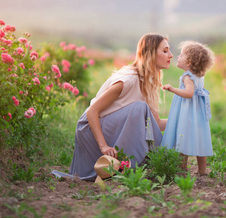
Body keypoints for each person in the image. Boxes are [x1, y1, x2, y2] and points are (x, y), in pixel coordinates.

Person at [54, 34, 173, 181]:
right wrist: (104, 147)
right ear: (151, 54)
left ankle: (149, 162)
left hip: (111, 126)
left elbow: (156, 124)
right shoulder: (128, 80)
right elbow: (92, 112)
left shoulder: (150, 82)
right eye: (165, 51)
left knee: (140, 109)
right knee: (139, 108)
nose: (171, 55)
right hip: (91, 128)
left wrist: (181, 120)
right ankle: (133, 164)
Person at [161, 41, 215, 176]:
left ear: (189, 62)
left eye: (181, 55)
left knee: (183, 136)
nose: (177, 57)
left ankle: (182, 169)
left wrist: (172, 89)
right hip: (198, 113)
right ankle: (202, 171)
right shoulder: (199, 75)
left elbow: (189, 93)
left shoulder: (187, 76)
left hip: (188, 112)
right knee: (200, 139)